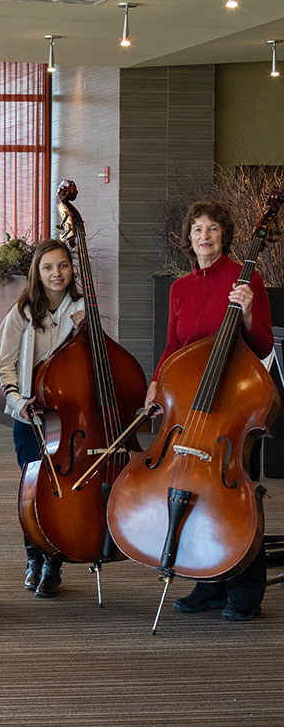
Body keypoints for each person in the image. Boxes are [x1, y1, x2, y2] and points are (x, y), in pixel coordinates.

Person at [145, 201, 272, 622]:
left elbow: (263, 346)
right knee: (199, 493)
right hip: (191, 408)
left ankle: (245, 590)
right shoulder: (179, 288)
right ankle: (208, 583)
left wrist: (250, 312)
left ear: (224, 235)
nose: (205, 236)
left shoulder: (246, 278)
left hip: (233, 406)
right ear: (189, 238)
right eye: (198, 229)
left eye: (213, 228)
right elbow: (173, 347)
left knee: (235, 497)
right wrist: (156, 382)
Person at [0, 239, 84, 599]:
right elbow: (4, 365)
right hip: (30, 416)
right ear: (37, 272)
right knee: (32, 492)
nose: (56, 274)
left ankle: (54, 561)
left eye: (63, 266)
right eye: (48, 267)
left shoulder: (82, 310)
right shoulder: (21, 312)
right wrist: (19, 402)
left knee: (61, 491)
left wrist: (88, 331)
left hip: (69, 418)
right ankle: (34, 556)